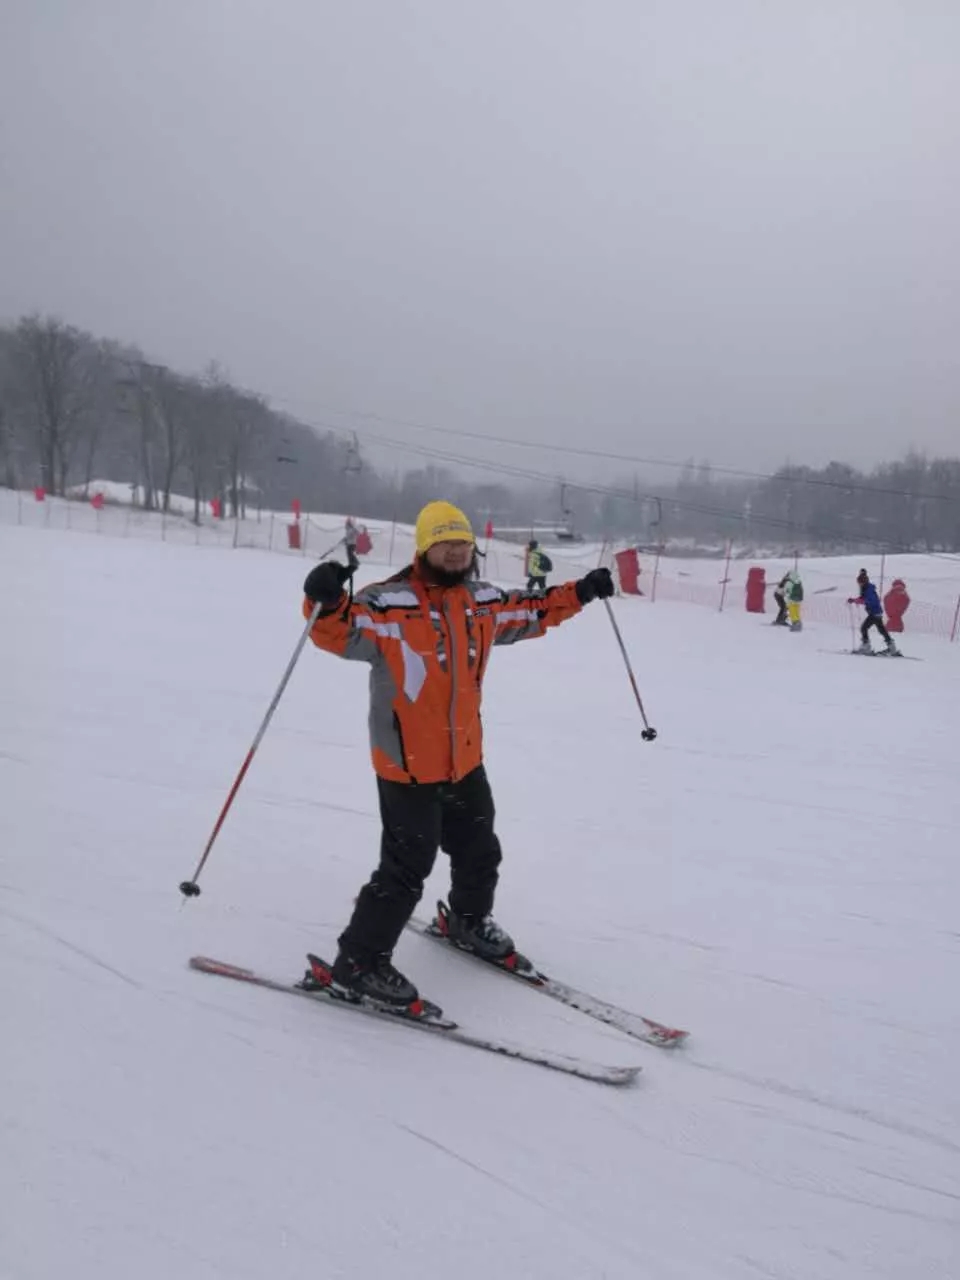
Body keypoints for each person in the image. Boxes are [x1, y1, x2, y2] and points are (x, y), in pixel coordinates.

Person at [300, 500, 615, 1007]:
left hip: (464, 759)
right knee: (405, 870)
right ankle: (357, 963)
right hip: (407, 765)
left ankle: (468, 919)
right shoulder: (388, 603)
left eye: (462, 545)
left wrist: (580, 593)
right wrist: (325, 597)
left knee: (479, 849)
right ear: (425, 548)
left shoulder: (481, 602)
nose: (455, 554)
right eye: (445, 545)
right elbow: (335, 630)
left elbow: (531, 610)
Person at [848, 568, 898, 654]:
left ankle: (866, 646)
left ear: (863, 582)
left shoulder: (869, 590)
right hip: (877, 613)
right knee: (882, 630)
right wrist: (854, 600)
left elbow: (868, 600)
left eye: (860, 583)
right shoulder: (867, 588)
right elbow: (863, 599)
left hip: (874, 613)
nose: (859, 584)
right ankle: (891, 647)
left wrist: (856, 601)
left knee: (864, 628)